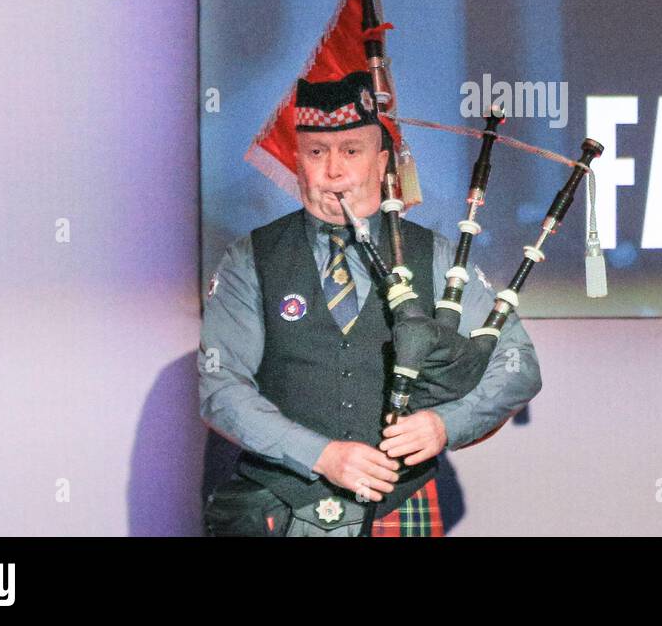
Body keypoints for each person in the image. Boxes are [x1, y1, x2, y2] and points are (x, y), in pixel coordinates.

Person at [198, 70, 542, 536]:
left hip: (397, 504)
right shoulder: (250, 258)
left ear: (381, 164)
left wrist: (445, 425)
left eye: (351, 152)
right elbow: (221, 385)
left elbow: (516, 363)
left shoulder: (436, 255)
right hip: (279, 504)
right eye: (317, 153)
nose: (334, 171)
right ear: (297, 162)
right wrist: (321, 455)